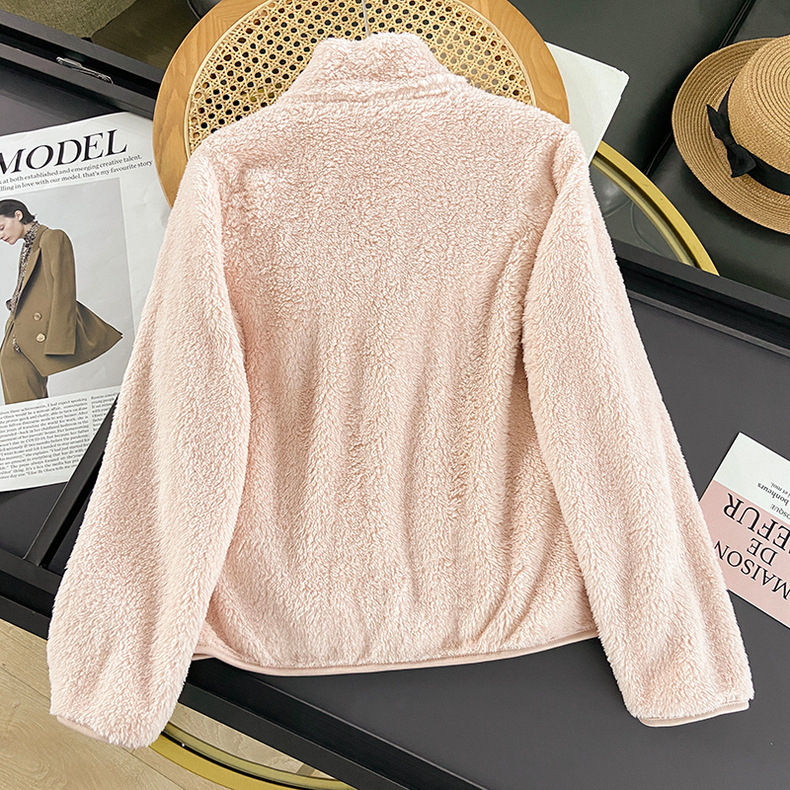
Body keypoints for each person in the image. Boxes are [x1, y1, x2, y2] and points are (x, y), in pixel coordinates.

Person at [0, 199, 122, 404]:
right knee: (25, 408)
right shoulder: (28, 246)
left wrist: (58, 344)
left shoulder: (52, 237)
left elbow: (64, 290)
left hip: (31, 341)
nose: (0, 235)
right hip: (17, 337)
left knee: (30, 408)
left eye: (1, 227)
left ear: (18, 215)